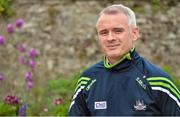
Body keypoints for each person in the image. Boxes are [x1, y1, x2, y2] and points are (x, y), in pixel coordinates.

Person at [68, 4, 180, 116]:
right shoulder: (87, 80)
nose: (110, 38)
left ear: (135, 33)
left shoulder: (158, 81)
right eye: (104, 32)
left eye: (118, 31)